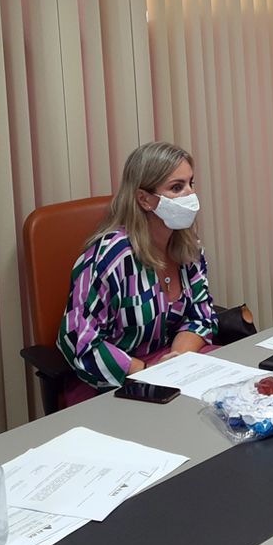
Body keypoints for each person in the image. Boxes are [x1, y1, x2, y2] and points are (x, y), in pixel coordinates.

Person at [58, 141, 218, 401]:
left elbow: (202, 316)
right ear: (144, 199)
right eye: (177, 188)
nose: (190, 195)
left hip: (172, 364)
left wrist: (175, 362)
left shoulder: (188, 246)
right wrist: (148, 372)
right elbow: (81, 342)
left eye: (191, 184)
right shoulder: (110, 258)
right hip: (115, 379)